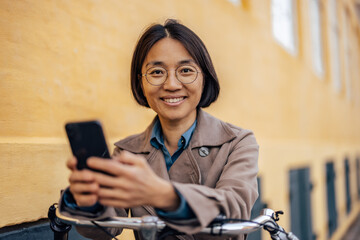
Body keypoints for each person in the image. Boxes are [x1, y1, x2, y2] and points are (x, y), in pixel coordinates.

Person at [59, 19, 259, 240]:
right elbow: (105, 229)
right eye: (156, 72)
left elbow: (235, 209)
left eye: (185, 70)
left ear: (204, 77)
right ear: (141, 83)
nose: (171, 84)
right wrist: (88, 203)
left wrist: (165, 195)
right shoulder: (127, 153)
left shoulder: (238, 142)